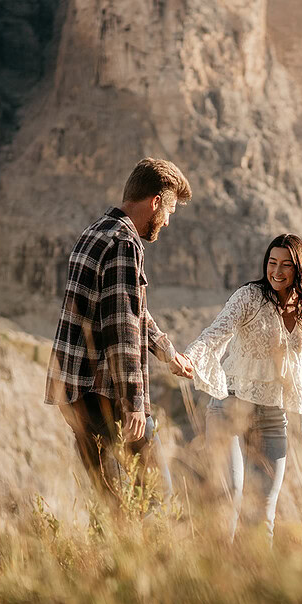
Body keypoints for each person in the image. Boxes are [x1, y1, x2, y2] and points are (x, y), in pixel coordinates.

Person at [45, 158, 194, 506]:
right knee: (156, 498)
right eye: (169, 211)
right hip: (105, 397)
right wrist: (134, 405)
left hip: (75, 393)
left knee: (111, 504)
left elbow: (128, 308)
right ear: (155, 202)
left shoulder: (96, 231)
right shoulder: (126, 243)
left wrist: (168, 353)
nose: (168, 222)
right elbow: (123, 330)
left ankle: (112, 560)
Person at [185, 233, 302, 543]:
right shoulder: (249, 297)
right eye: (272, 263)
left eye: (286, 265)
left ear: (300, 269)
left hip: (271, 417)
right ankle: (218, 582)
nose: (277, 272)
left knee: (262, 513)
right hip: (229, 406)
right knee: (228, 499)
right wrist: (191, 358)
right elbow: (217, 333)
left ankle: (253, 584)